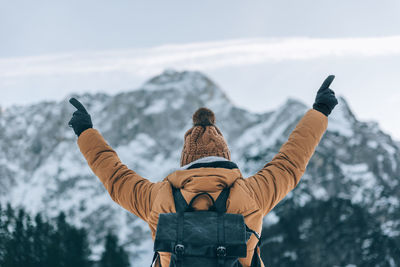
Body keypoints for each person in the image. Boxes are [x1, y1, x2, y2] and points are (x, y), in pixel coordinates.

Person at [68, 75, 338, 267]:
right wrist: (320, 111)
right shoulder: (253, 194)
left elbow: (114, 175)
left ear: (185, 162)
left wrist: (85, 131)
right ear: (225, 157)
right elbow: (291, 161)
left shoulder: (158, 198)